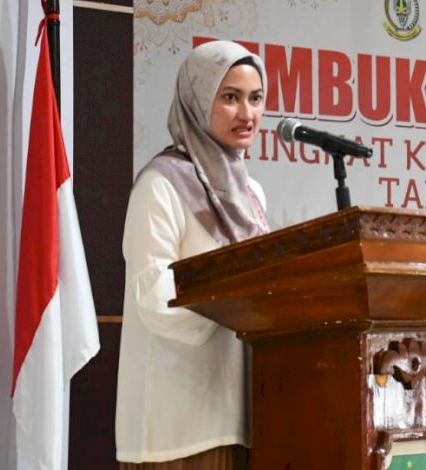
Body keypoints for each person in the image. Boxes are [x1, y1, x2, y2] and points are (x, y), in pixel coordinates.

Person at [115, 40, 270, 468]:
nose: (247, 114)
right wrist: (235, 299)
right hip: (176, 421)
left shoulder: (251, 193)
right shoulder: (160, 184)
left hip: (240, 410)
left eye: (256, 99)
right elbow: (154, 294)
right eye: (230, 98)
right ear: (197, 101)